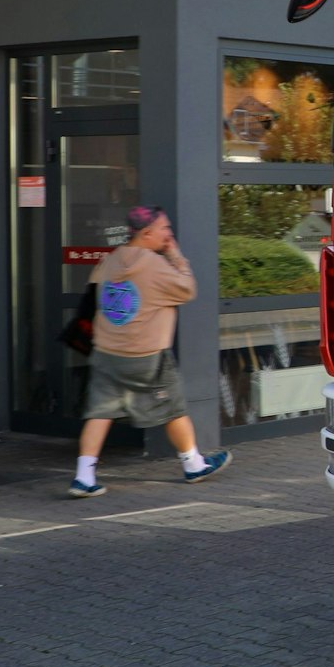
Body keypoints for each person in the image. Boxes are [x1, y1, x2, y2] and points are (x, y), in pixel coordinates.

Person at [68, 205, 230, 497]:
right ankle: (193, 464)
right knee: (174, 409)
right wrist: (175, 255)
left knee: (100, 413)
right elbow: (187, 290)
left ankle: (84, 476)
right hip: (148, 355)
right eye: (165, 229)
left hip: (107, 352)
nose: (169, 234)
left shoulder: (111, 260)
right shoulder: (155, 265)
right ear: (147, 233)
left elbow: (95, 292)